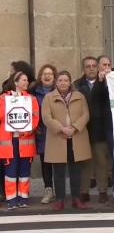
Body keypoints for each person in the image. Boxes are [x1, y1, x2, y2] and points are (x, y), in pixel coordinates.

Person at [43, 70, 91, 211]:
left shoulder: (79, 96)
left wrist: (74, 128)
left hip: (76, 138)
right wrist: (62, 129)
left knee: (76, 171)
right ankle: (60, 199)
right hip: (58, 138)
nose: (63, 83)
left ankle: (76, 199)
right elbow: (46, 117)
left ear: (70, 82)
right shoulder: (48, 98)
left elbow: (86, 114)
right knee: (58, 172)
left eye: (65, 80)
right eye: (60, 80)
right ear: (56, 82)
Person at [74, 57, 112, 204]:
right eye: (88, 66)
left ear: (98, 68)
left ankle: (102, 191)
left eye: (94, 66)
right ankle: (84, 192)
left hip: (101, 128)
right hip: (84, 129)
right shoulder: (77, 85)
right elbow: (82, 101)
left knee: (102, 162)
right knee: (85, 164)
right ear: (83, 69)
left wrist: (103, 82)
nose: (91, 68)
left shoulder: (105, 83)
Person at [0, 72, 39, 209]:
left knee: (24, 171)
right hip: (8, 143)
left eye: (27, 80)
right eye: (24, 80)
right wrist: (10, 104)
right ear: (15, 82)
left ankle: (23, 198)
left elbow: (35, 119)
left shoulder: (31, 99)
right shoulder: (3, 98)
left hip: (25, 141)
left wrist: (26, 131)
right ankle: (11, 200)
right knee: (10, 172)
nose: (26, 82)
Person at [30, 64, 57, 204]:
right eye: (44, 73)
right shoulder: (33, 92)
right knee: (45, 162)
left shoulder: (60, 90)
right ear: (40, 76)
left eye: (50, 74)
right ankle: (48, 189)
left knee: (58, 162)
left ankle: (60, 191)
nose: (47, 76)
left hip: (57, 132)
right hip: (41, 132)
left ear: (54, 77)